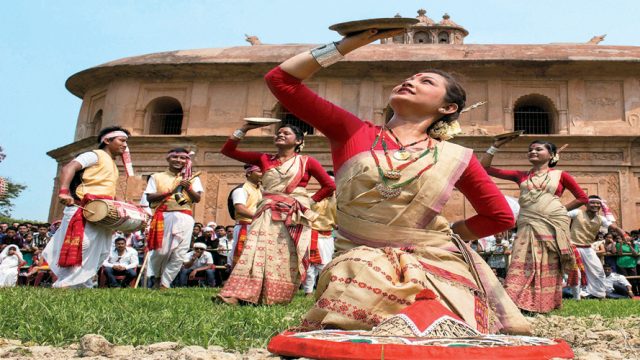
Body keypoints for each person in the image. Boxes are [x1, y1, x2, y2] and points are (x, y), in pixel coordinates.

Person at [262, 29, 529, 334]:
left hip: (434, 263)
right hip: (357, 262)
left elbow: (501, 216)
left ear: (448, 108)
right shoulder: (352, 132)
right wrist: (349, 45)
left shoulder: (456, 157)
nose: (410, 81)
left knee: (443, 330)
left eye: (425, 81)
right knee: (365, 281)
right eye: (409, 78)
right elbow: (280, 81)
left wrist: (441, 237)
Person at [218, 122, 335, 305]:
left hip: (293, 214)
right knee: (254, 250)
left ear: (298, 141)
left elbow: (329, 186)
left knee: (284, 255)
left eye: (286, 133)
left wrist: (306, 203)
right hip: (267, 211)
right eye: (278, 133)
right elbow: (228, 151)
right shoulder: (264, 159)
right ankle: (237, 294)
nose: (280, 135)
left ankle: (273, 297)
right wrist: (245, 128)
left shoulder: (307, 162)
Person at [480, 138, 587, 313]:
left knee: (549, 259)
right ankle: (515, 303)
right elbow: (485, 169)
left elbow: (583, 198)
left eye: (538, 149)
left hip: (552, 223)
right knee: (522, 260)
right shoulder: (521, 175)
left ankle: (544, 304)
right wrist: (495, 146)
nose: (533, 152)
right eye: (530, 150)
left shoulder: (561, 175)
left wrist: (558, 210)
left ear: (551, 155)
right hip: (528, 222)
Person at [42, 126, 131, 288]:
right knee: (82, 246)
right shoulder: (94, 155)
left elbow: (108, 190)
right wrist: (63, 192)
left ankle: (83, 285)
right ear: (107, 140)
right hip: (84, 208)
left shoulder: (112, 164)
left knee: (102, 250)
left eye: (126, 142)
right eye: (122, 140)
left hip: (102, 211)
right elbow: (69, 167)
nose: (125, 145)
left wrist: (123, 208)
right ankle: (65, 285)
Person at [144, 147, 203, 288]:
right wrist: (171, 190)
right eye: (175, 157)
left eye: (183, 158)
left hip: (185, 216)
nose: (178, 160)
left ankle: (165, 283)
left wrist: (188, 188)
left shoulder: (193, 178)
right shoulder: (156, 177)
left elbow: (197, 199)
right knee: (161, 252)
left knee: (179, 253)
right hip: (163, 216)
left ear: (187, 161)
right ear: (168, 159)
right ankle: (157, 277)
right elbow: (150, 197)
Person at [568, 195, 626, 299]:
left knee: (599, 271)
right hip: (574, 247)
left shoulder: (601, 219)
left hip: (588, 248)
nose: (595, 205)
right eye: (592, 203)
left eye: (598, 203)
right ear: (586, 204)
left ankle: (599, 295)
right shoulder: (577, 213)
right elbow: (561, 215)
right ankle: (576, 298)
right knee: (576, 273)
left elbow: (614, 227)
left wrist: (623, 234)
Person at [302, 191, 337, 297]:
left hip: (325, 237)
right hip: (310, 234)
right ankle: (309, 291)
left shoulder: (337, 201)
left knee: (324, 266)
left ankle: (322, 290)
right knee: (309, 265)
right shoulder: (310, 198)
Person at [228, 164, 263, 267]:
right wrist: (260, 216)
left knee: (255, 256)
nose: (263, 173)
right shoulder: (241, 189)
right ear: (249, 173)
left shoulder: (260, 190)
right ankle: (235, 281)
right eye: (259, 171)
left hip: (257, 225)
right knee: (240, 255)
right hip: (245, 226)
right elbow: (240, 209)